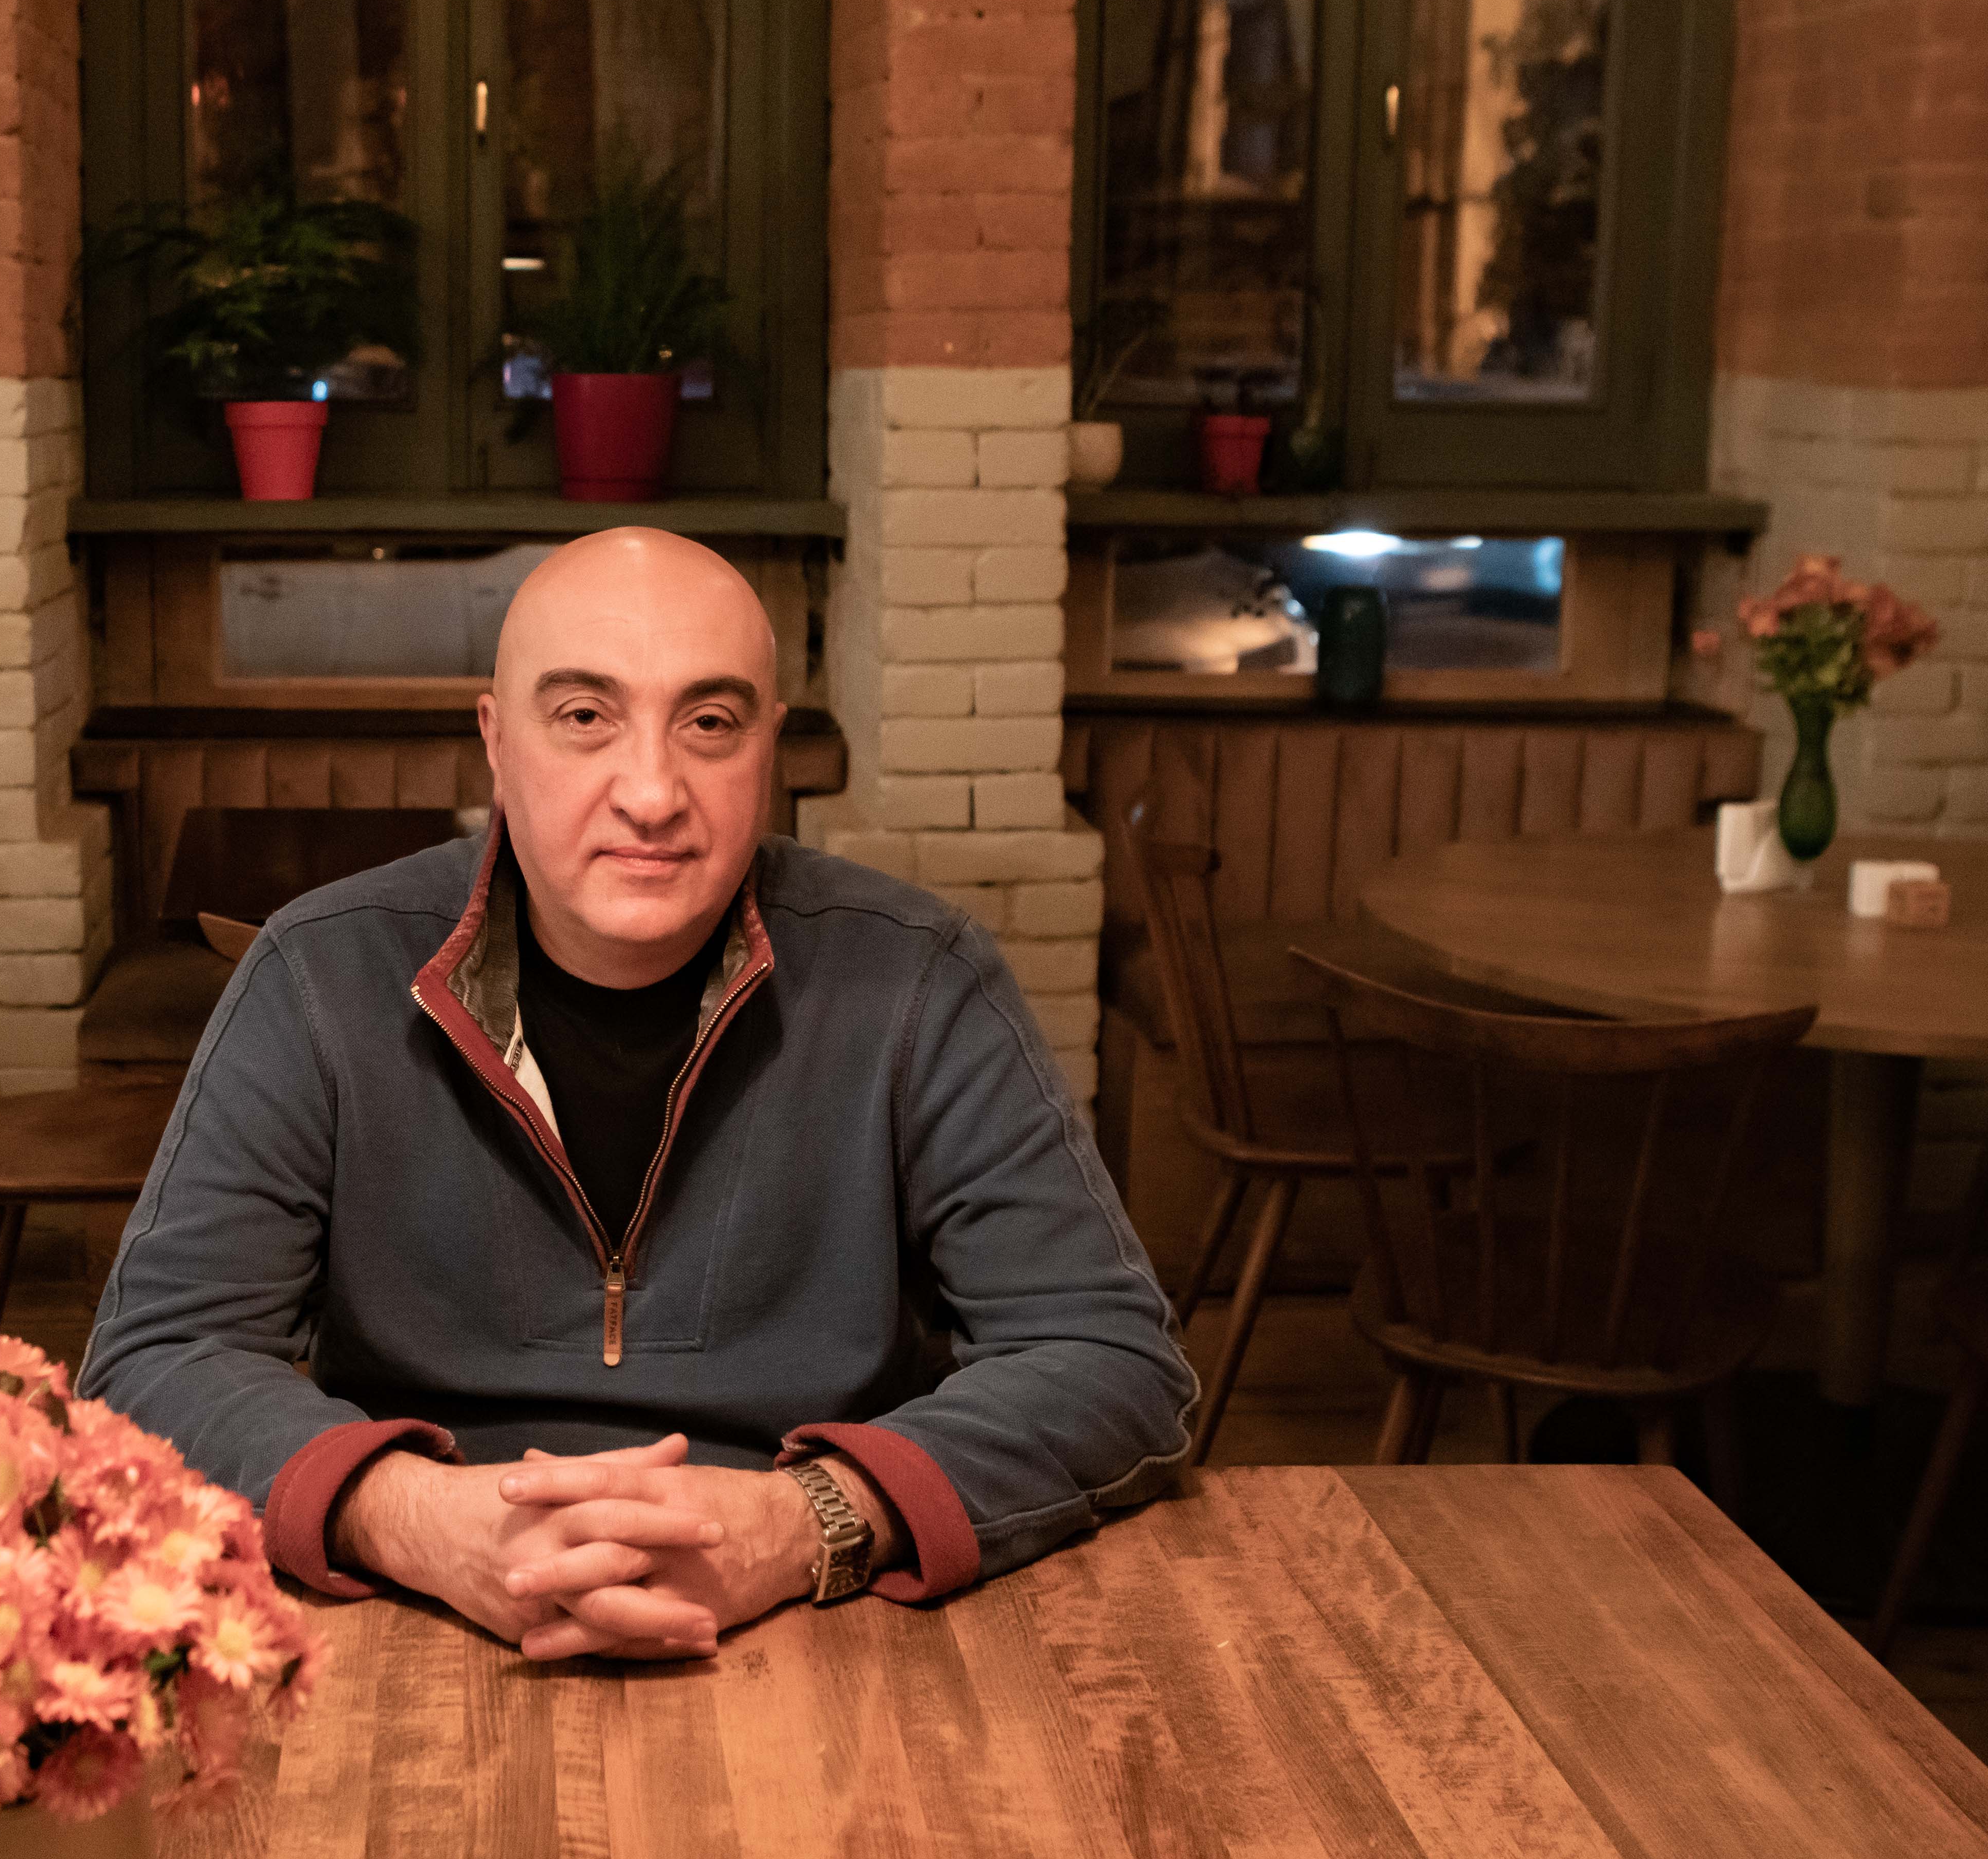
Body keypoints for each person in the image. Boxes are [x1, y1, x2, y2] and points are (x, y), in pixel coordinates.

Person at [80, 529, 1195, 1661]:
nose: (653, 792)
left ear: (769, 749)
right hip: (412, 1617)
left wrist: (802, 1519)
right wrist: (413, 1519)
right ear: (495, 743)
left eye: (709, 724)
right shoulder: (317, 973)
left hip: (827, 1617)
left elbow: (1110, 1363)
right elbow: (153, 1359)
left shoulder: (917, 977)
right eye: (583, 717)